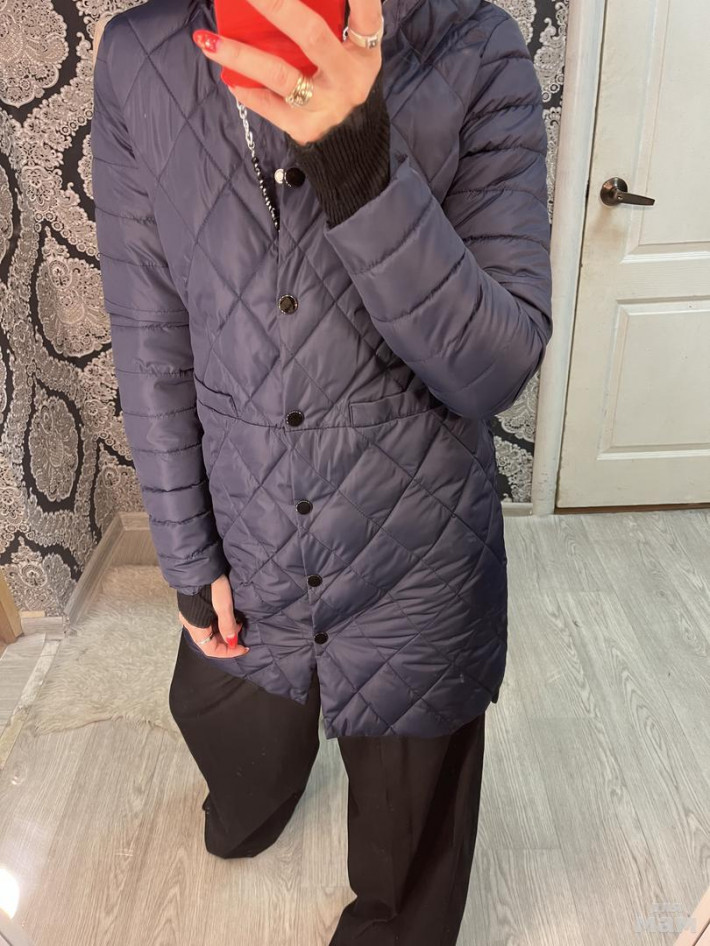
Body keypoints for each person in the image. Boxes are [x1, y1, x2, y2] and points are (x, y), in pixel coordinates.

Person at [92, 0, 552, 942]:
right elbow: (152, 337)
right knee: (235, 751)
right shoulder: (140, 57)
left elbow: (493, 370)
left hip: (417, 549)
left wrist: (359, 159)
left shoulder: (476, 45)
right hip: (246, 527)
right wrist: (185, 553)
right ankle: (257, 801)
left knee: (409, 853)